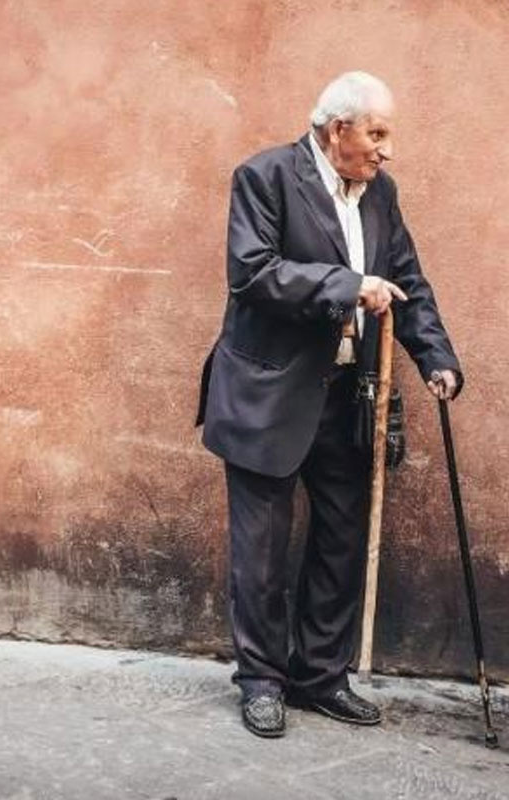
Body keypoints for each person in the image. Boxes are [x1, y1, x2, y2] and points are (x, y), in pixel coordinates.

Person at [196, 71, 462, 738]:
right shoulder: (265, 178)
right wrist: (347, 285)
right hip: (268, 395)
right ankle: (260, 680)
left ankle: (319, 675)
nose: (386, 149)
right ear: (336, 128)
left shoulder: (382, 194)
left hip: (347, 396)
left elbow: (406, 281)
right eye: (377, 133)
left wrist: (437, 359)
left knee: (342, 542)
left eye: (387, 134)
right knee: (260, 552)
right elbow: (254, 273)